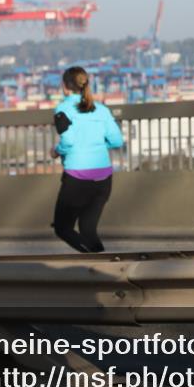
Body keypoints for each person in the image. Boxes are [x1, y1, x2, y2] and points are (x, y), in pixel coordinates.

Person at [50, 66, 123, 253]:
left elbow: (68, 141)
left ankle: (95, 259)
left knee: (63, 228)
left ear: (65, 87)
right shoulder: (101, 109)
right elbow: (116, 141)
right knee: (88, 230)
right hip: (104, 178)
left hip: (77, 178)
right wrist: (96, 145)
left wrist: (56, 151)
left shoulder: (62, 109)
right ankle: (104, 265)